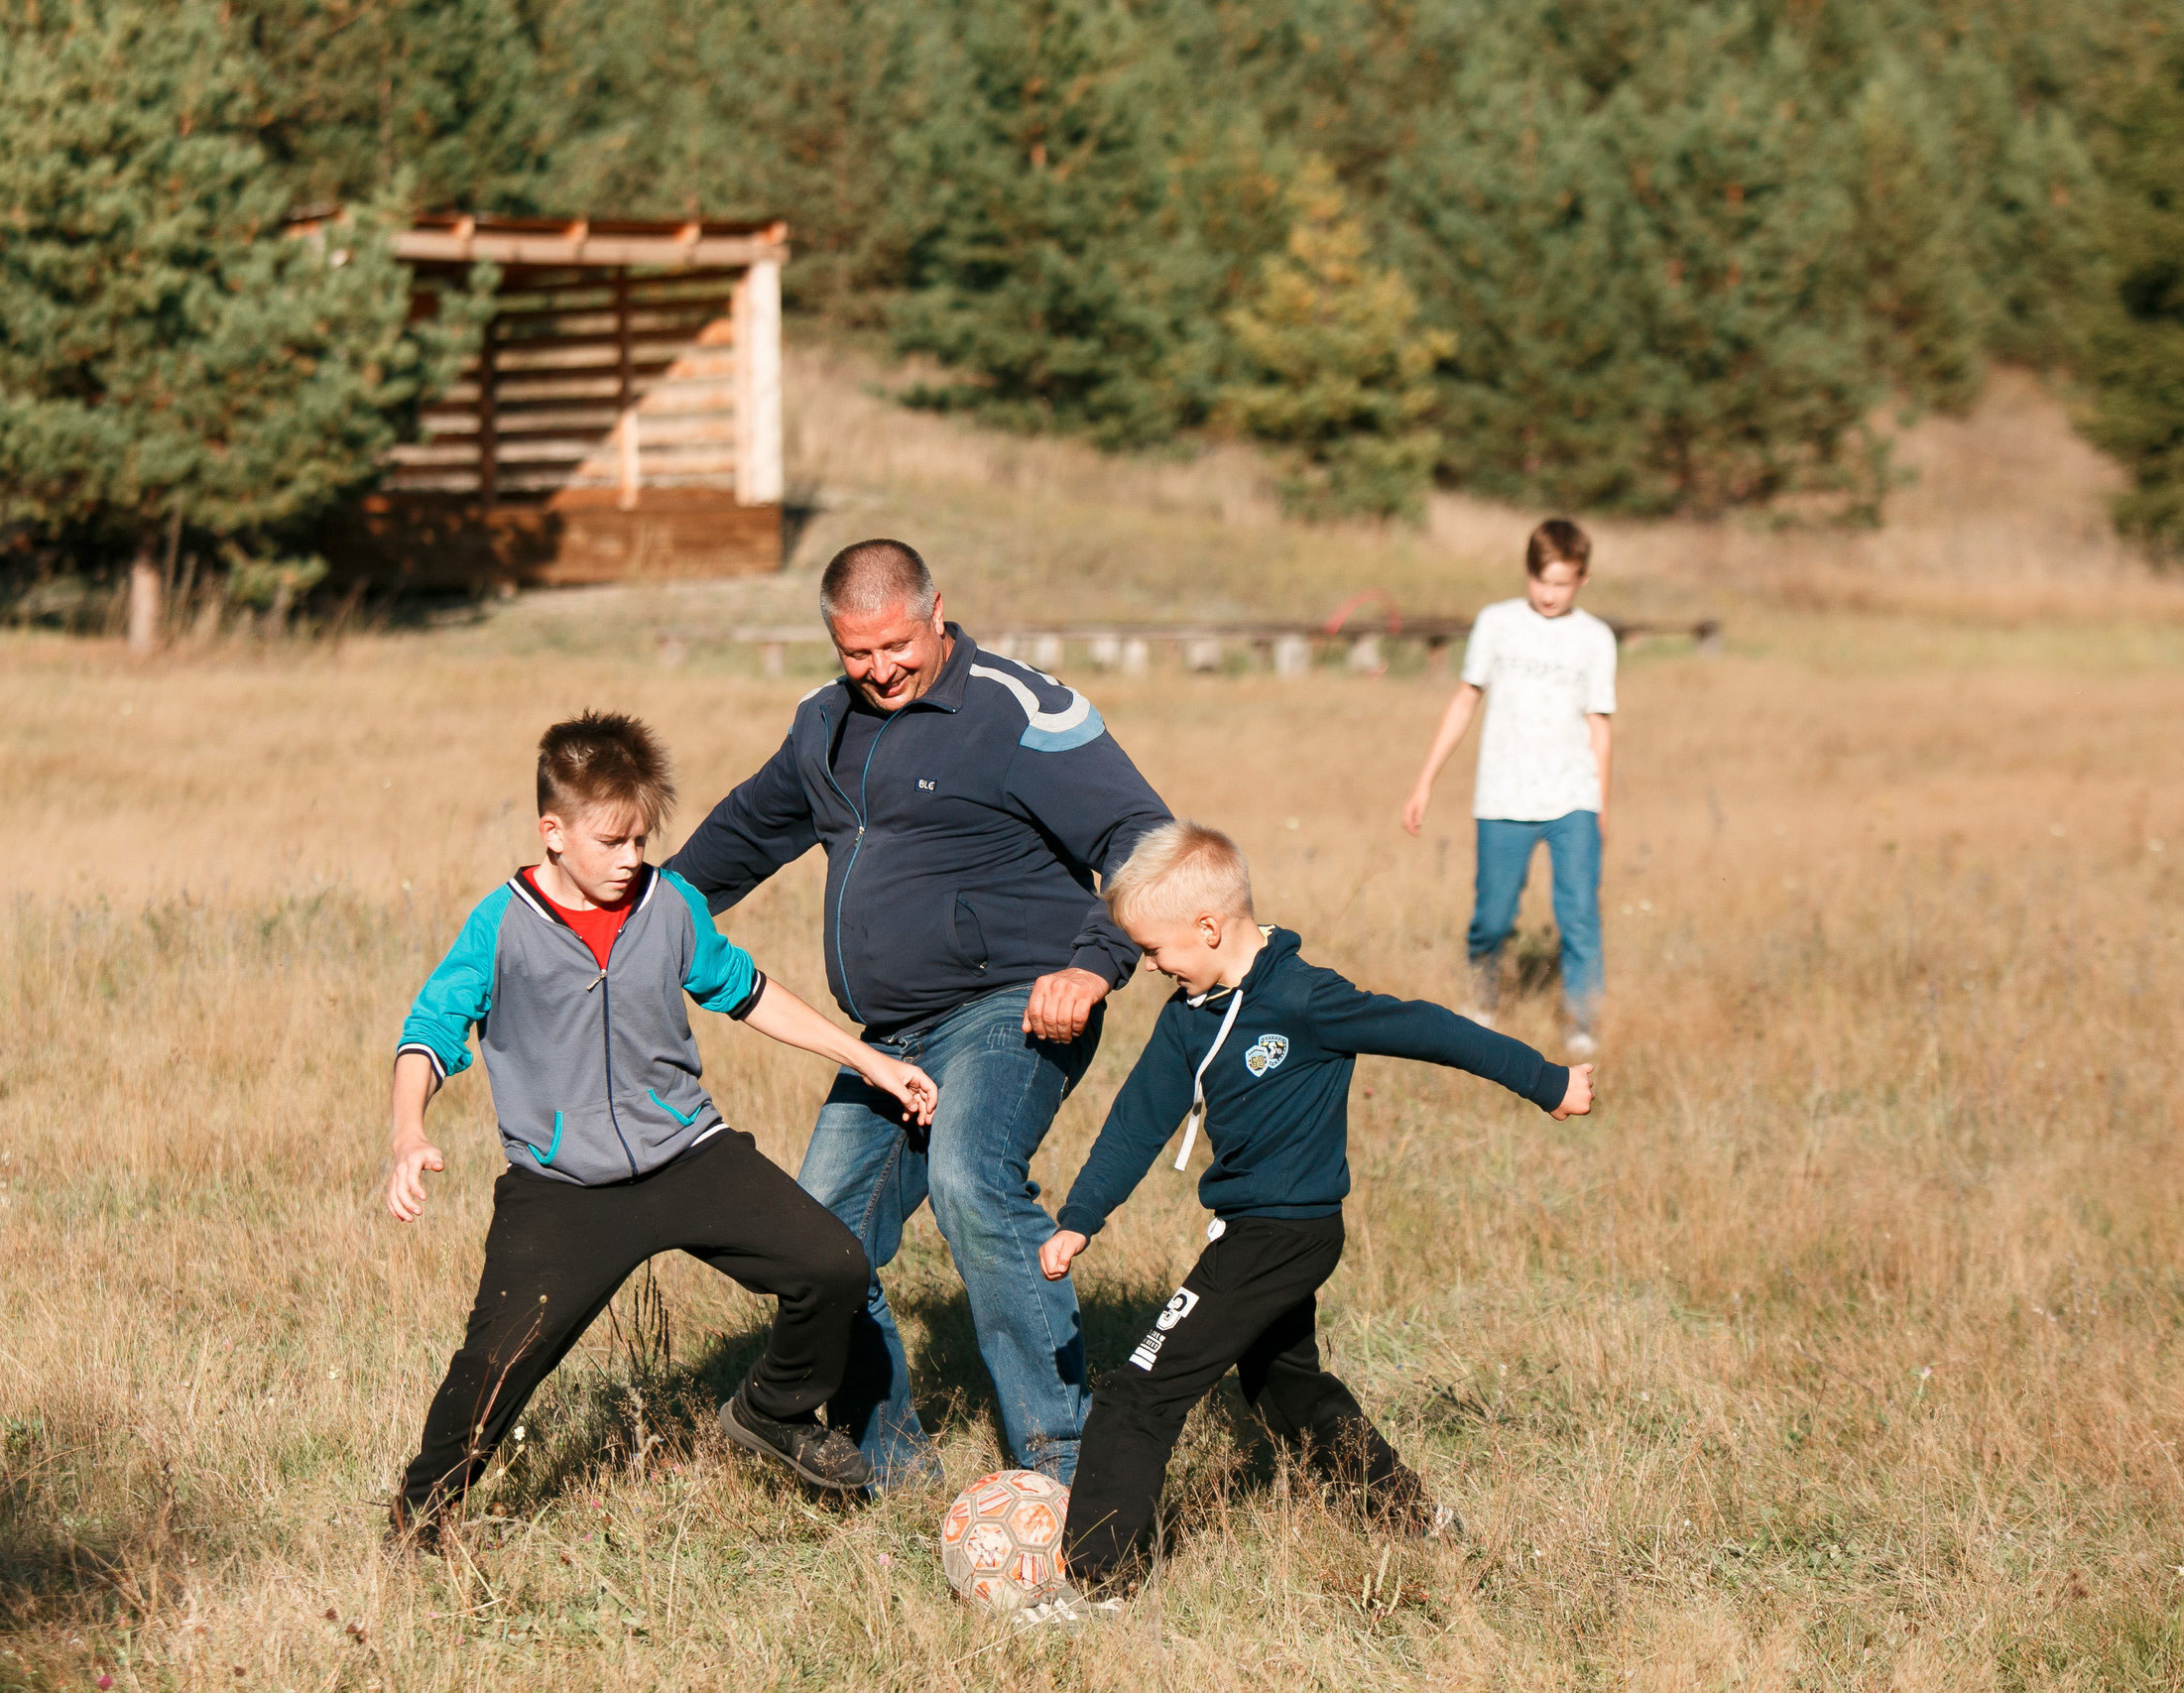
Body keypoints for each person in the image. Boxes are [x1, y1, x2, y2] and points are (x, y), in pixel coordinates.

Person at [667, 540, 1172, 1486]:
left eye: (896, 644)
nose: (880, 669)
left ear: (937, 611)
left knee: (970, 1180)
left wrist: (1093, 966)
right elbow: (743, 833)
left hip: (1014, 1007)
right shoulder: (823, 724)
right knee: (818, 1240)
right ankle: (891, 1465)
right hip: (888, 1041)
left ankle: (1068, 1467)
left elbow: (1143, 836)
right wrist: (635, 921)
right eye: (856, 652)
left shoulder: (1019, 710)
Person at [382, 712, 941, 1544]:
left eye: (641, 839)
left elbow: (748, 990)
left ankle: (773, 1409)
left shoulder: (669, 904)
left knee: (834, 1265)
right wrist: (407, 1132)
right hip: (564, 1185)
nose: (630, 857)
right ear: (553, 832)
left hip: (687, 1153)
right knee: (494, 1367)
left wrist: (869, 1060)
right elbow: (429, 1030)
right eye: (611, 841)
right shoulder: (500, 926)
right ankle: (419, 1519)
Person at [1038, 820, 1593, 1598]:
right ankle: (1414, 1519)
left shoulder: (1305, 998)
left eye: (1156, 949)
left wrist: (1547, 1080)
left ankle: (1096, 1585)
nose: (1152, 965)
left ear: (1209, 926)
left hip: (1282, 1235)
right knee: (1286, 1386)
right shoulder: (1187, 1015)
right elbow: (1136, 1121)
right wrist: (1079, 1216)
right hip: (1256, 1230)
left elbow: (1431, 1029)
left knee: (1139, 1391)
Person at [1400, 518, 1618, 1058]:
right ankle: (1483, 996)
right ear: (1528, 572)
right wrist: (1425, 781)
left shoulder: (1595, 638)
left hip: (1572, 798)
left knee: (1579, 915)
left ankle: (1582, 1021)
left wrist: (1601, 805)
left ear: (1582, 580)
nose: (1549, 593)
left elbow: (1599, 725)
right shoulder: (1496, 623)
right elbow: (1464, 702)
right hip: (1502, 797)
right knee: (1493, 918)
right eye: (1541, 580)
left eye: (1562, 583)